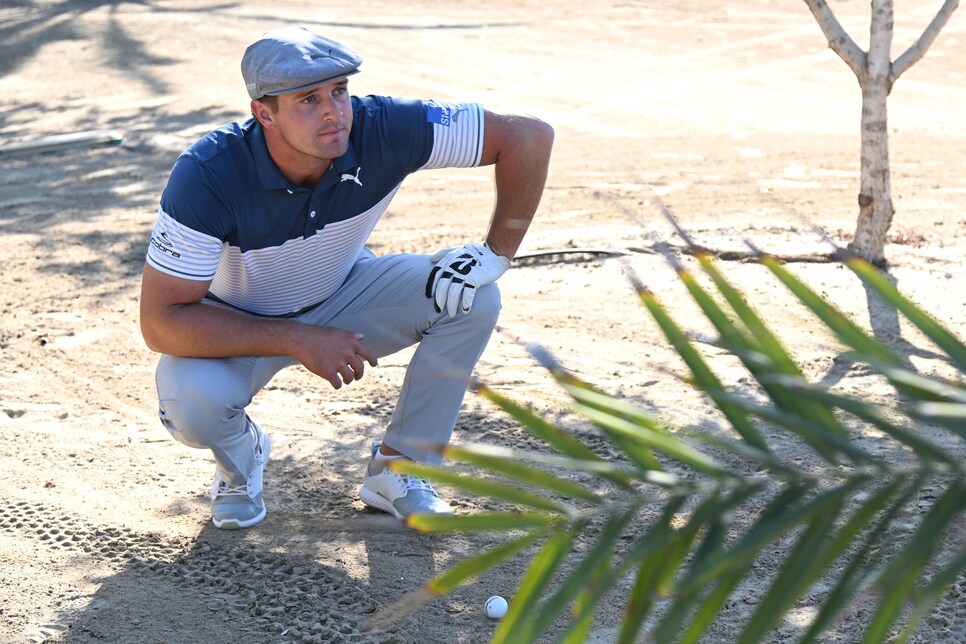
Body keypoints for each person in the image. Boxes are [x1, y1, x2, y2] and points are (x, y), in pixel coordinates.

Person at [138, 25, 554, 530]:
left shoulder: (381, 127)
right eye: (307, 100)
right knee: (193, 406)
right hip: (234, 323)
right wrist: (299, 338)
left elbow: (529, 137)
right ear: (263, 113)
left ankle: (398, 471)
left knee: (472, 299)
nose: (334, 112)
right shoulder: (207, 175)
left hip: (342, 291)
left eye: (339, 91)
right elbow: (161, 322)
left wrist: (495, 254)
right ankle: (240, 462)